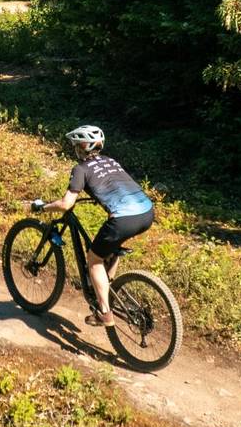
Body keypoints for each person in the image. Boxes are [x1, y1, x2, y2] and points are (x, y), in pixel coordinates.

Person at [30, 124, 154, 327]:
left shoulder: (80, 169)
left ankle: (104, 312)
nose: (75, 150)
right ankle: (106, 286)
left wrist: (42, 208)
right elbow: (113, 184)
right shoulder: (110, 161)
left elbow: (66, 204)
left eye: (76, 146)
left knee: (94, 259)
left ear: (82, 148)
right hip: (146, 213)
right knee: (111, 245)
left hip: (123, 219)